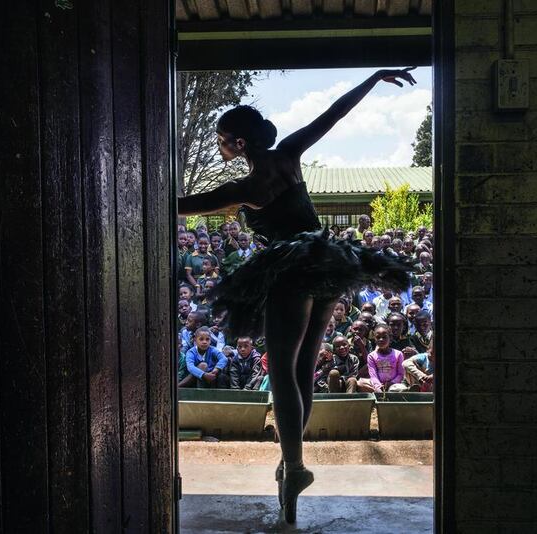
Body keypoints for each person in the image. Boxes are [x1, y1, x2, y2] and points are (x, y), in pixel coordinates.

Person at [177, 67, 416, 524]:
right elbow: (333, 114)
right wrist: (373, 79)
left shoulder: (246, 187)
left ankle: (296, 465)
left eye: (223, 139)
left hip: (292, 270)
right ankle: (292, 464)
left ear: (240, 143)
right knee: (304, 364)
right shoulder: (288, 153)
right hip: (327, 263)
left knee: (283, 368)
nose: (220, 145)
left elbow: (180, 206)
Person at [357, 325, 406, 393]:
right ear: (375, 339)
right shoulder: (371, 356)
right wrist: (378, 386)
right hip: (378, 384)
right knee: (360, 383)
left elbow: (401, 374)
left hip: (394, 384)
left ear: (390, 338)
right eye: (378, 337)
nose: (381, 339)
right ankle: (381, 394)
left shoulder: (398, 354)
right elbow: (373, 375)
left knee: (399, 388)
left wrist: (391, 383)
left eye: (384, 337)